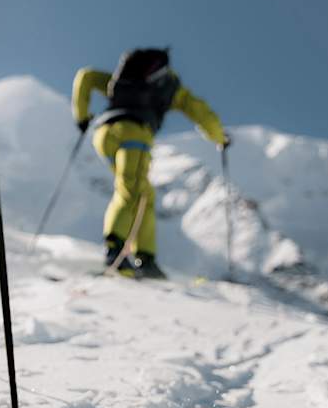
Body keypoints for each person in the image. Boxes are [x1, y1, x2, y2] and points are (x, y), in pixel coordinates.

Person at [71, 48, 228, 279]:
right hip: (134, 134)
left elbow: (86, 76)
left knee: (145, 193)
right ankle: (116, 251)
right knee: (132, 189)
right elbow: (200, 111)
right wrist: (220, 138)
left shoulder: (123, 82)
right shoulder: (170, 87)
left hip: (104, 134)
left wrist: (82, 117)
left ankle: (145, 256)